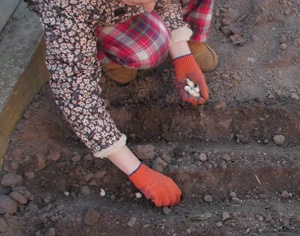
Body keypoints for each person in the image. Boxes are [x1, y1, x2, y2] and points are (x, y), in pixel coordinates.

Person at [24, 0, 218, 207]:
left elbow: (165, 2)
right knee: (149, 47)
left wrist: (182, 53)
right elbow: (77, 97)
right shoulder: (66, 9)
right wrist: (138, 172)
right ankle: (108, 53)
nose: (152, 8)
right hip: (85, 12)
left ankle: (192, 37)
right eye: (142, 2)